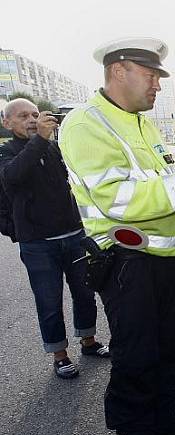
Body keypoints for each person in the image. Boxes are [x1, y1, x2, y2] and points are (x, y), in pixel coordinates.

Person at [58, 37, 175, 435]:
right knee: (137, 356)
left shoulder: (139, 123)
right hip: (126, 263)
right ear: (119, 70)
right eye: (150, 76)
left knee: (171, 344)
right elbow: (117, 197)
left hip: (161, 259)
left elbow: (161, 180)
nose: (157, 87)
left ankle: (163, 417)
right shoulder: (86, 125)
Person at [0, 98, 109, 379]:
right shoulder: (7, 152)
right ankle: (59, 355)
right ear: (7, 123)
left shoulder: (51, 146)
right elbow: (13, 176)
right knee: (48, 301)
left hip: (74, 235)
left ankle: (88, 340)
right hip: (38, 244)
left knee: (85, 292)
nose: (32, 120)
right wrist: (18, 230)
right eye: (23, 116)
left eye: (35, 114)